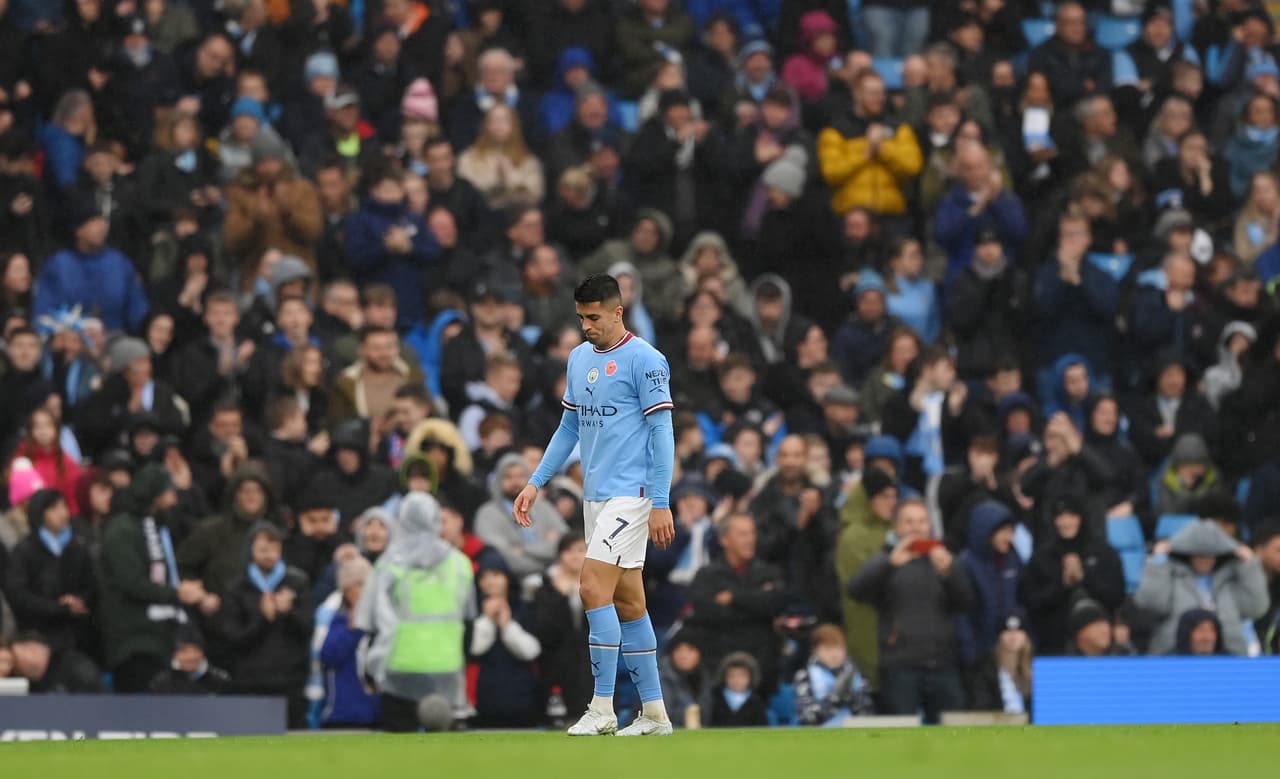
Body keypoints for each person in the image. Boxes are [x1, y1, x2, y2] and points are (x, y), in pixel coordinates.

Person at [514, 273, 676, 736]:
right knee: (628, 601)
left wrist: (660, 501)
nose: (586, 326)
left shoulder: (646, 360)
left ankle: (602, 706)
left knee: (590, 587)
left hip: (632, 496)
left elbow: (662, 432)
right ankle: (655, 714)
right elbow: (569, 428)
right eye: (581, 317)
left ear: (618, 312)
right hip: (596, 497)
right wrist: (536, 482)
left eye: (594, 317)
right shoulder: (578, 358)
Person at [353, 492, 474, 732]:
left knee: (399, 742)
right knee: (444, 742)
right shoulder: (459, 563)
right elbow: (469, 621)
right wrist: (461, 659)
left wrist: (370, 668)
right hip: (446, 665)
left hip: (400, 666)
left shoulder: (389, 564)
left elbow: (373, 621)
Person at [849, 497, 973, 724]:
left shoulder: (944, 559)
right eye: (909, 521)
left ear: (930, 525)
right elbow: (856, 591)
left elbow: (966, 602)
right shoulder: (885, 559)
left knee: (951, 735)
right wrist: (890, 563)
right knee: (901, 734)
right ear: (896, 526)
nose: (916, 527)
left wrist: (949, 573)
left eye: (922, 521)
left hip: (943, 664)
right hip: (900, 666)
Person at [99, 464, 209, 692]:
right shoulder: (122, 530)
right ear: (154, 495)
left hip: (163, 638)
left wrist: (185, 590)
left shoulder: (159, 528)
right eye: (169, 493)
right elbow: (131, 583)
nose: (174, 500)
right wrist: (177, 593)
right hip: (133, 642)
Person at [686, 513, 787, 695]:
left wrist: (734, 598)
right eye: (742, 534)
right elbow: (706, 613)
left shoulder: (768, 572)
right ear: (724, 539)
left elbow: (775, 603)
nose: (750, 540)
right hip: (719, 666)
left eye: (752, 533)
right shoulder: (708, 575)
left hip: (763, 667)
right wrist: (756, 603)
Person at [1135, 520, 1269, 656]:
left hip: (1230, 655)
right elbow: (1151, 604)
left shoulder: (1231, 579)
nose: (1206, 560)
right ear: (1187, 554)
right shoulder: (1172, 577)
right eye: (1199, 555)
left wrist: (1250, 565)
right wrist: (1158, 561)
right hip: (1175, 654)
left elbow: (1256, 608)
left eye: (1211, 555)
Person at [1018, 496, 1125, 655]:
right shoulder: (1042, 557)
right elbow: (1031, 601)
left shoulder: (1103, 552)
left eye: (1071, 516)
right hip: (1054, 640)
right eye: (1060, 517)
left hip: (1100, 644)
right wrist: (1062, 585)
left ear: (1081, 518)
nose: (1066, 522)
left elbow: (1116, 596)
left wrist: (1085, 578)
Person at [3, 489, 95, 653]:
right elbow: (18, 595)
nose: (62, 513)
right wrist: (58, 607)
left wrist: (78, 600)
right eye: (54, 508)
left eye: (64, 506)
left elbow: (90, 583)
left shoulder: (78, 545)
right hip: (39, 636)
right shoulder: (25, 551)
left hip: (78, 634)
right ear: (40, 513)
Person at [477, 453, 568, 579]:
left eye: (521, 476)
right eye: (508, 477)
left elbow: (565, 543)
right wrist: (546, 552)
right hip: (512, 580)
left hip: (555, 577)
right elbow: (504, 556)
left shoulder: (544, 507)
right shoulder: (487, 514)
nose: (515, 482)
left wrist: (522, 549)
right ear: (498, 481)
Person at [318, 554, 380, 727]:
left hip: (377, 713)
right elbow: (328, 656)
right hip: (344, 714)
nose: (366, 590)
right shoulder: (339, 620)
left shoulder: (381, 623)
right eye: (359, 584)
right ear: (346, 590)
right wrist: (351, 630)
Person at [793, 624, 873, 727]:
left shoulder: (856, 675)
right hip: (820, 733)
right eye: (828, 649)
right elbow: (807, 718)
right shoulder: (804, 676)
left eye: (839, 649)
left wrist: (852, 697)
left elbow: (868, 714)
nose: (835, 654)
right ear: (815, 650)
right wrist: (835, 697)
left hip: (853, 731)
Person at [965, 612, 1032, 714]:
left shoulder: (1036, 665)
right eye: (1008, 632)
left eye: (1018, 631)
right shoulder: (985, 667)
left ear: (1026, 636)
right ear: (999, 636)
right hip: (996, 721)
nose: (1013, 637)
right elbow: (980, 704)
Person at [707, 651, 769, 727]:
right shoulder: (715, 700)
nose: (737, 680)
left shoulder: (757, 702)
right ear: (724, 678)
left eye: (742, 676)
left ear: (750, 678)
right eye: (732, 676)